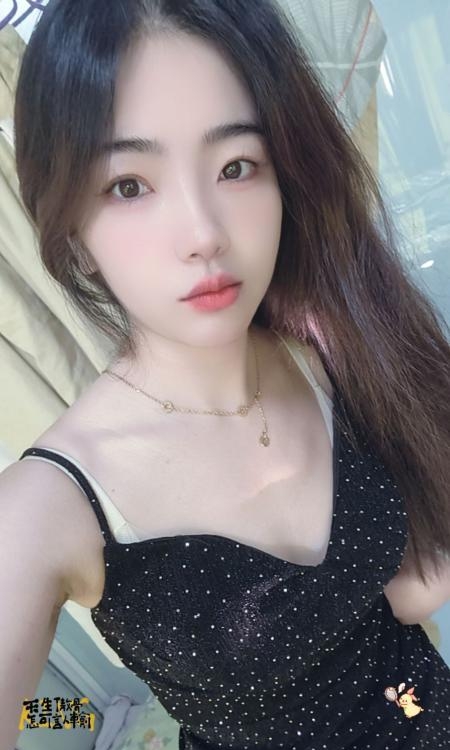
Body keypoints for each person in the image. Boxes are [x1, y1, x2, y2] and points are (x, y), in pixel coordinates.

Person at [2, 1, 450, 748]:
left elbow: (399, 594)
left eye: (236, 166)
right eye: (129, 185)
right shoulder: (45, 509)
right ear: (72, 233)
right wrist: (72, 720)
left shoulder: (327, 351)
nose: (204, 234)